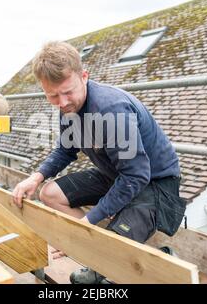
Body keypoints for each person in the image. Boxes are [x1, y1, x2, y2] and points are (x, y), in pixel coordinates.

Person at [12, 41, 187, 284]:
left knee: (109, 267)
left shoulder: (112, 110)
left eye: (67, 92)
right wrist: (36, 177)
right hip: (118, 174)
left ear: (84, 76)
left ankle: (157, 257)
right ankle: (95, 252)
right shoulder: (69, 107)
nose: (62, 103)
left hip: (155, 184)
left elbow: (136, 176)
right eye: (52, 95)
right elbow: (65, 150)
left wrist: (90, 220)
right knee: (50, 194)